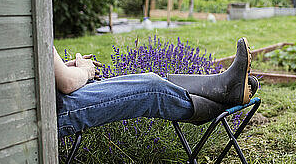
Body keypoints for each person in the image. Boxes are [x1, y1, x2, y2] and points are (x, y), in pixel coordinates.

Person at [55, 37, 258, 138]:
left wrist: (63, 68)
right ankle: (220, 100)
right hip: (58, 112)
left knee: (150, 79)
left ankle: (224, 90)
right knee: (152, 90)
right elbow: (67, 83)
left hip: (52, 104)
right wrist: (84, 71)